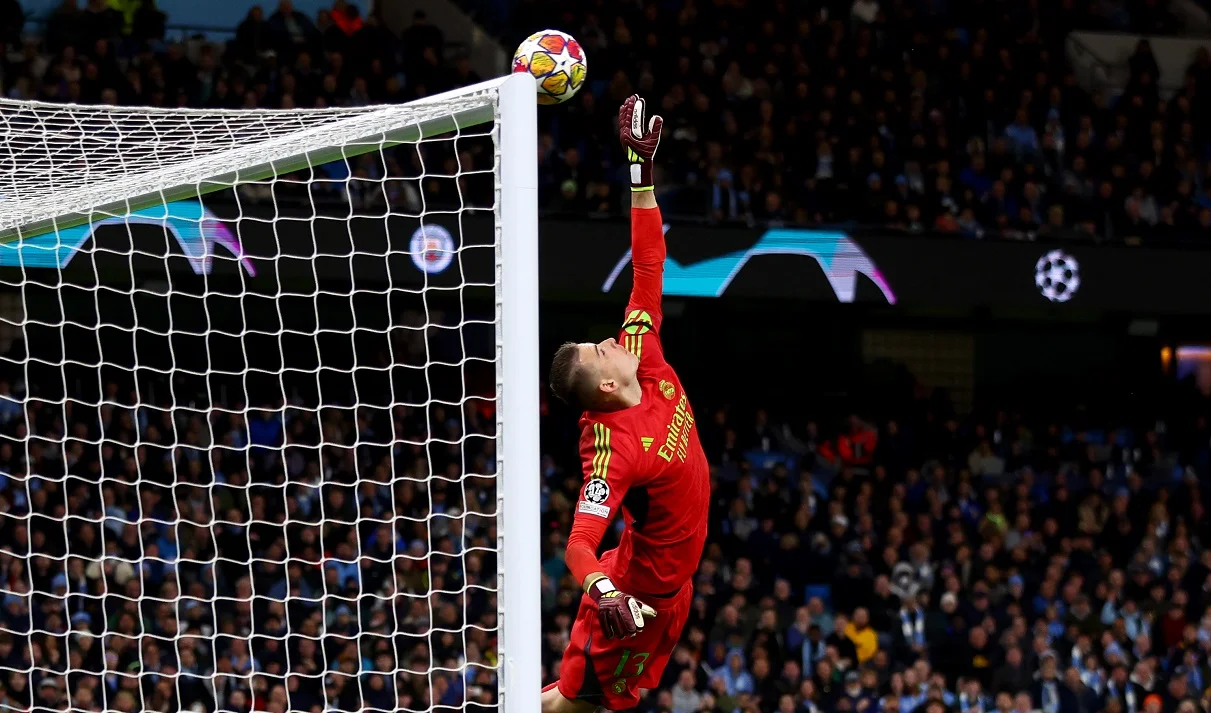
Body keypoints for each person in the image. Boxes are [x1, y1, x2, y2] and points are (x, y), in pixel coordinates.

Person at [544, 93, 710, 713]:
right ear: (607, 387)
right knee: (575, 707)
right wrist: (604, 592)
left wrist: (640, 172)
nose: (611, 338)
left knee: (588, 707)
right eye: (599, 348)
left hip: (674, 586)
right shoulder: (612, 450)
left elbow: (648, 264)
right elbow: (578, 545)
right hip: (637, 595)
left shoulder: (643, 350)